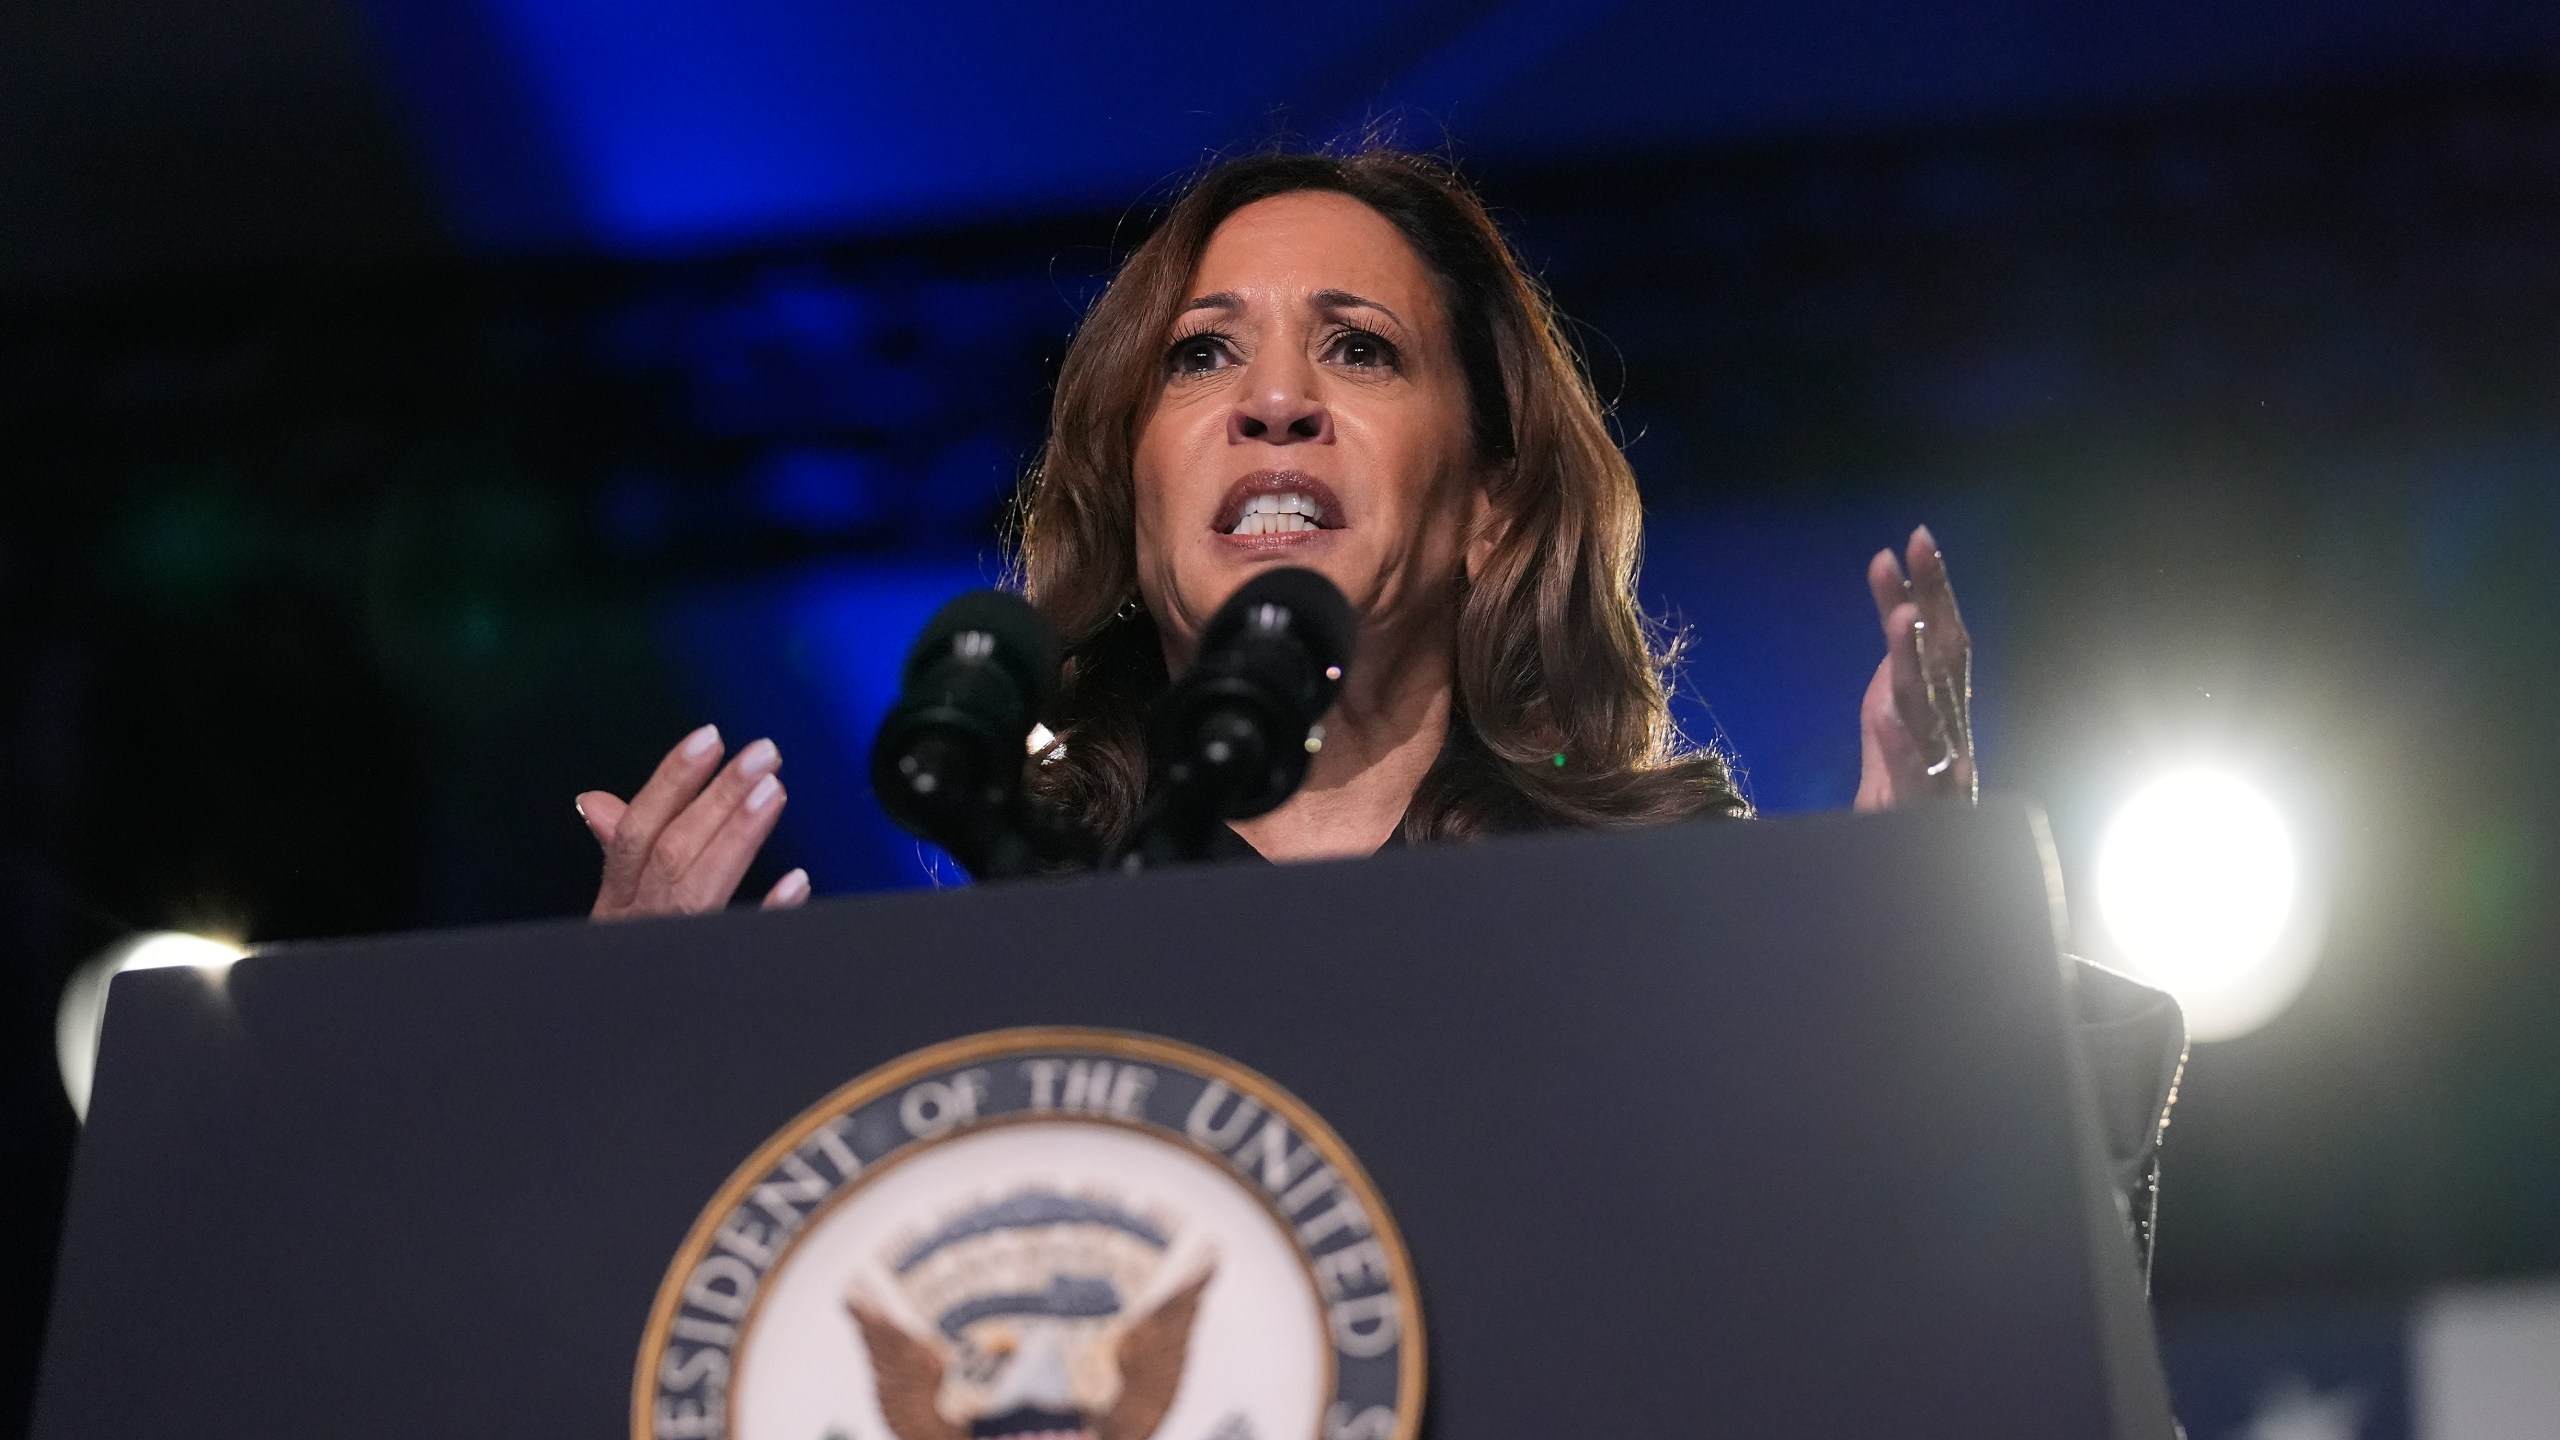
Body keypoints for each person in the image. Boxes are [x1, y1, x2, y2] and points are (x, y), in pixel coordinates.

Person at [571, 149, 2181, 1264]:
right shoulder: (997, 969)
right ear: (1138, 512)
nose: (1274, 400)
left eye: (1358, 347)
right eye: (1201, 359)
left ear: (1488, 505)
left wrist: (1931, 985)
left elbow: (1953, 1355)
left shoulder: (1681, 933)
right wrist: (618, 1082)